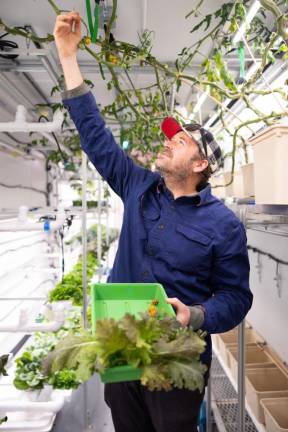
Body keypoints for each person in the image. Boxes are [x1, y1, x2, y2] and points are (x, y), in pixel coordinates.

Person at [53, 11, 253, 432]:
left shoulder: (224, 225)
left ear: (199, 164)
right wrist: (68, 57)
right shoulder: (138, 187)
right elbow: (95, 137)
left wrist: (194, 316)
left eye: (178, 141)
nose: (167, 141)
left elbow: (236, 297)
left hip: (176, 361)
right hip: (122, 351)